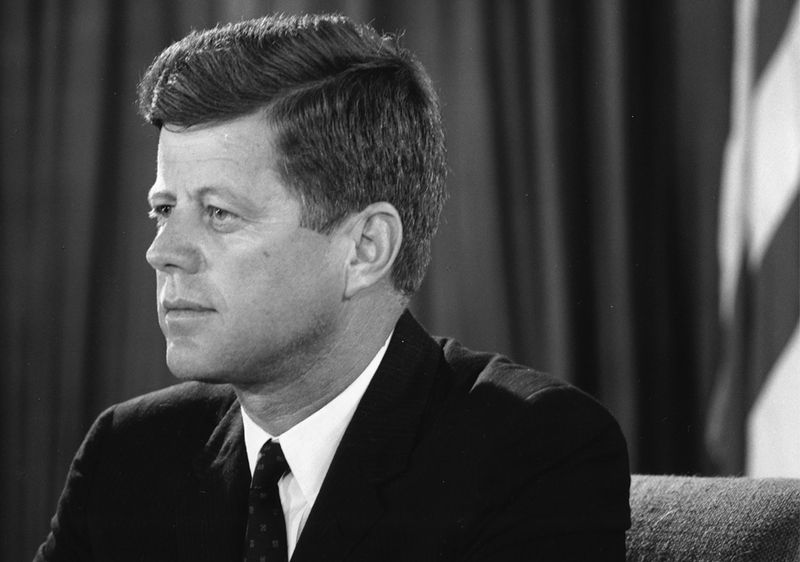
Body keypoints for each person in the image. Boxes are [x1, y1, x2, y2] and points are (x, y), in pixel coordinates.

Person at [35, 13, 630, 562]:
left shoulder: (536, 453)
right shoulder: (126, 454)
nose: (161, 252)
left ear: (366, 248)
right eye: (163, 210)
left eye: (219, 214)